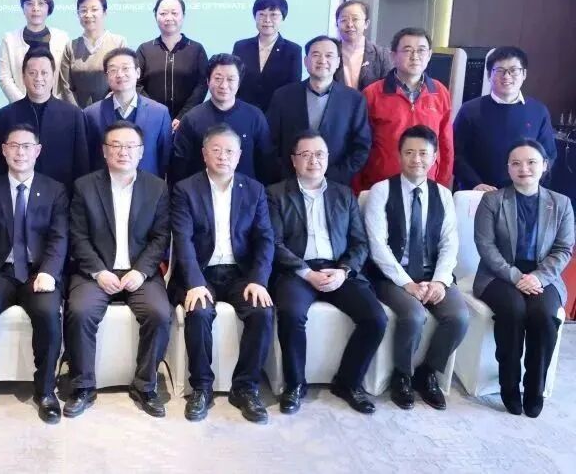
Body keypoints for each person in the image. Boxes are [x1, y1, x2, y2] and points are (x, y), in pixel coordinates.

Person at [268, 130, 387, 415]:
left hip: (338, 269)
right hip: (297, 271)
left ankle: (348, 382)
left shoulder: (344, 194)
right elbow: (273, 242)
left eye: (319, 154)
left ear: (328, 158)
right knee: (291, 314)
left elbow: (360, 243)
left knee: (376, 318)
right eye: (305, 155)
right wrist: (306, 273)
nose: (313, 161)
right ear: (294, 160)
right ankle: (295, 384)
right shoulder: (275, 194)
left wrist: (344, 271)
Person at [0, 124, 70, 424]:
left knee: (48, 313)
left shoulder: (55, 190)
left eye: (26, 146)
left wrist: (49, 272)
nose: (20, 152)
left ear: (38, 151)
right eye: (14, 146)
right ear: (4, 150)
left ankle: (45, 391)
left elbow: (59, 237)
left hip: (38, 274)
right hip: (0, 272)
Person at [64, 121, 172, 419]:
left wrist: (141, 271)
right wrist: (99, 272)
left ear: (141, 152)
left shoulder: (157, 187)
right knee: (80, 312)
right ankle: (83, 386)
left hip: (140, 272)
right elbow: (78, 236)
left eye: (130, 146)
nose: (123, 152)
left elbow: (161, 237)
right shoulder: (85, 186)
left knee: (159, 313)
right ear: (104, 151)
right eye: (116, 145)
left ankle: (145, 385)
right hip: (96, 272)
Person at [170, 124, 275, 423]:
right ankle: (201, 387)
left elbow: (265, 239)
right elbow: (183, 240)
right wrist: (194, 283)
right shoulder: (185, 189)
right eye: (215, 150)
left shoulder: (254, 190)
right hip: (201, 271)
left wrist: (258, 280)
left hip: (240, 273)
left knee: (262, 312)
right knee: (199, 311)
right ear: (204, 154)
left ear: (239, 155)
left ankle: (246, 388)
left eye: (229, 151)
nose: (223, 156)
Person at [364, 125, 469, 410]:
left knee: (459, 317)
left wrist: (440, 281)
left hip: (432, 272)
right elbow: (378, 246)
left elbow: (449, 243)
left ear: (434, 157)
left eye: (423, 153)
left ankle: (428, 372)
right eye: (409, 152)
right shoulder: (381, 191)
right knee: (413, 315)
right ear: (399, 155)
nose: (416, 159)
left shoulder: (443, 195)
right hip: (391, 276)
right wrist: (406, 283)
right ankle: (402, 375)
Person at [473, 140, 573, 418]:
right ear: (508, 168)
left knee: (544, 315)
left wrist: (538, 277)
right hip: (498, 274)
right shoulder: (493, 201)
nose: (524, 168)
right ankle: (508, 384)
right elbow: (485, 246)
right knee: (513, 310)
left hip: (544, 276)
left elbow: (563, 249)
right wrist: (516, 277)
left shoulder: (561, 203)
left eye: (531, 162)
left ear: (544, 166)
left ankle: (534, 388)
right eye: (516, 163)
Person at [355, 27, 454, 192]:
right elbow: (360, 145)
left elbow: (446, 144)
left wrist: (441, 186)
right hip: (381, 186)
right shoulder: (372, 94)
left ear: (429, 55)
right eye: (407, 50)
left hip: (426, 186)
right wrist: (360, 190)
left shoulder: (440, 92)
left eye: (421, 50)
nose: (415, 56)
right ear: (393, 56)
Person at [267, 35, 371, 185]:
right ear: (305, 61)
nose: (322, 60)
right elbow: (270, 143)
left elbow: (361, 147)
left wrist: (334, 177)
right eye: (316, 55)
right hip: (288, 184)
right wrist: (288, 175)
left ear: (338, 62)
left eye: (329, 55)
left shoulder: (354, 100)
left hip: (335, 185)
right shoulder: (283, 96)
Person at [453, 46, 557, 191]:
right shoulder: (470, 110)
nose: (506, 76)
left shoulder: (538, 111)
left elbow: (548, 154)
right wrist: (475, 183)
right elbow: (456, 153)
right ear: (489, 75)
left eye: (514, 70)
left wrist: (530, 183)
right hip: (479, 192)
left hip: (523, 192)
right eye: (499, 70)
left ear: (524, 74)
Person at [0, 47, 89, 190]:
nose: (38, 78)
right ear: (23, 77)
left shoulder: (73, 115)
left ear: (53, 76)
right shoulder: (6, 115)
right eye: (32, 73)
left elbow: (82, 165)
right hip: (17, 197)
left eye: (44, 73)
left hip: (62, 197)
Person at [170, 53, 272, 183]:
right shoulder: (191, 119)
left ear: (239, 82)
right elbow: (180, 167)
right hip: (202, 193)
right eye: (218, 78)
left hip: (245, 193)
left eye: (230, 79)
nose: (224, 85)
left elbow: (266, 163)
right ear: (208, 81)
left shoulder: (255, 116)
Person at [83, 47, 171, 177]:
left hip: (147, 185)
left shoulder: (159, 113)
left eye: (125, 68)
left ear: (137, 72)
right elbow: (88, 157)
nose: (119, 74)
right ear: (107, 77)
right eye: (113, 70)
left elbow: (164, 158)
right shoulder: (90, 114)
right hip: (104, 185)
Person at [136, 0, 208, 129]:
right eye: (163, 13)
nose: (169, 18)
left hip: (188, 122)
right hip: (150, 120)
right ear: (155, 16)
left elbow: (202, 85)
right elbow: (136, 84)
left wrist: (184, 115)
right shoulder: (144, 49)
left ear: (183, 16)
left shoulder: (196, 49)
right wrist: (155, 111)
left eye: (174, 13)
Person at [0, 0, 70, 103]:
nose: (35, 8)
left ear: (48, 7)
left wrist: (55, 104)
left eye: (41, 3)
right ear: (23, 8)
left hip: (55, 107)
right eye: (29, 3)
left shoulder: (62, 39)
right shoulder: (9, 40)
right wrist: (23, 105)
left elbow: (66, 79)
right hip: (20, 108)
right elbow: (5, 78)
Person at [233, 0, 303, 112]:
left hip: (278, 113)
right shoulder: (241, 47)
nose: (267, 20)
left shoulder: (293, 50)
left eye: (273, 15)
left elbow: (293, 88)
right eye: (262, 14)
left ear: (283, 18)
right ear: (255, 17)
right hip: (244, 112)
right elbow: (234, 81)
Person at [56, 0, 127, 107]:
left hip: (110, 110)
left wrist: (103, 109)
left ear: (104, 12)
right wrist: (77, 113)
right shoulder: (70, 47)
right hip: (77, 113)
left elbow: (123, 81)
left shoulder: (118, 43)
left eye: (94, 9)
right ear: (78, 14)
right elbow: (65, 86)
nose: (88, 15)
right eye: (83, 10)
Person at [331, 0, 393, 89]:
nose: (350, 24)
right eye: (344, 20)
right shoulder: (330, 53)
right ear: (337, 24)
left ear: (366, 24)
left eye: (355, 19)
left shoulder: (382, 55)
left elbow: (389, 89)